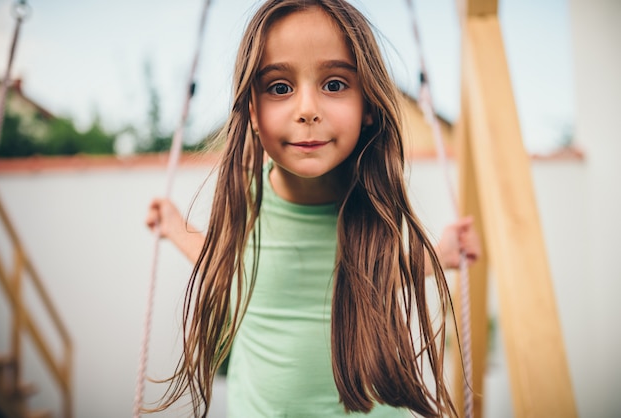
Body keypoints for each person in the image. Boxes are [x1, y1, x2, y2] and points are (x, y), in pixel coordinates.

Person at [146, 1, 480, 417]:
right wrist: (176, 228)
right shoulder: (243, 199)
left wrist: (439, 256)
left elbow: (376, 272)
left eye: (335, 84)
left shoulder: (371, 202)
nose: (307, 110)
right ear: (252, 109)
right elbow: (227, 261)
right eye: (280, 88)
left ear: (370, 106)